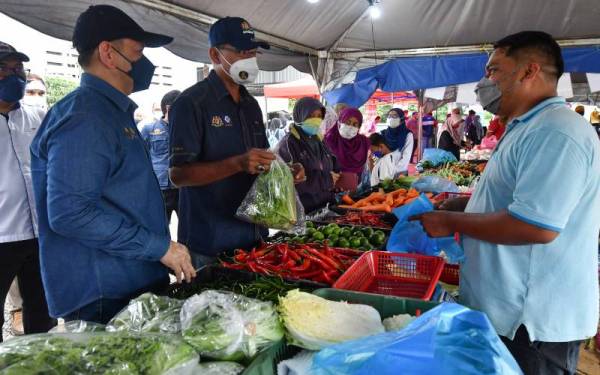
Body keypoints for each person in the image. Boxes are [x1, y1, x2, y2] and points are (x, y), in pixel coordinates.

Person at [413, 31, 600, 375]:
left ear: (529, 71)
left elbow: (536, 225)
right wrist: (462, 206)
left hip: (531, 324)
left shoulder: (555, 132)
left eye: (494, 70)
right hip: (507, 313)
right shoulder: (527, 127)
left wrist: (451, 223)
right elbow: (516, 200)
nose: (486, 81)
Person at [30, 5, 196, 324]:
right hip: (104, 293)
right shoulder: (86, 117)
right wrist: (160, 247)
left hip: (129, 281)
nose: (145, 63)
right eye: (138, 51)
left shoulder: (110, 111)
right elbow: (70, 211)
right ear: (108, 52)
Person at [169, 17, 302, 268]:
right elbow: (179, 175)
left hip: (254, 236)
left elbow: (260, 159)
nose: (249, 59)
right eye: (241, 52)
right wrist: (237, 163)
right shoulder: (191, 103)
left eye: (252, 52)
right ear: (215, 55)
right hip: (210, 242)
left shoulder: (251, 105)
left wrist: (283, 172)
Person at [0, 41, 56, 341]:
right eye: (3, 69)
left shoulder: (37, 117)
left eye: (18, 68)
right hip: (2, 234)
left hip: (39, 233)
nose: (14, 75)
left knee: (42, 309)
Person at [279, 97, 338, 212]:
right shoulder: (288, 144)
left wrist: (337, 180)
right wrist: (326, 180)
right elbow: (288, 181)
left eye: (319, 116)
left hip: (325, 207)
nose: (316, 120)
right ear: (299, 115)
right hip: (303, 211)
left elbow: (331, 165)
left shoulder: (319, 140)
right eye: (311, 116)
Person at [140, 90, 181, 224]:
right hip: (160, 189)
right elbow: (140, 158)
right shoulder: (149, 129)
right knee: (160, 227)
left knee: (189, 226)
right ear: (168, 109)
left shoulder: (186, 129)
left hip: (183, 187)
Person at [324, 107, 369, 190]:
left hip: (358, 189)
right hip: (332, 190)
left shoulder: (363, 142)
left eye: (355, 124)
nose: (350, 126)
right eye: (347, 122)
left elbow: (366, 167)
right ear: (340, 122)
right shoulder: (329, 140)